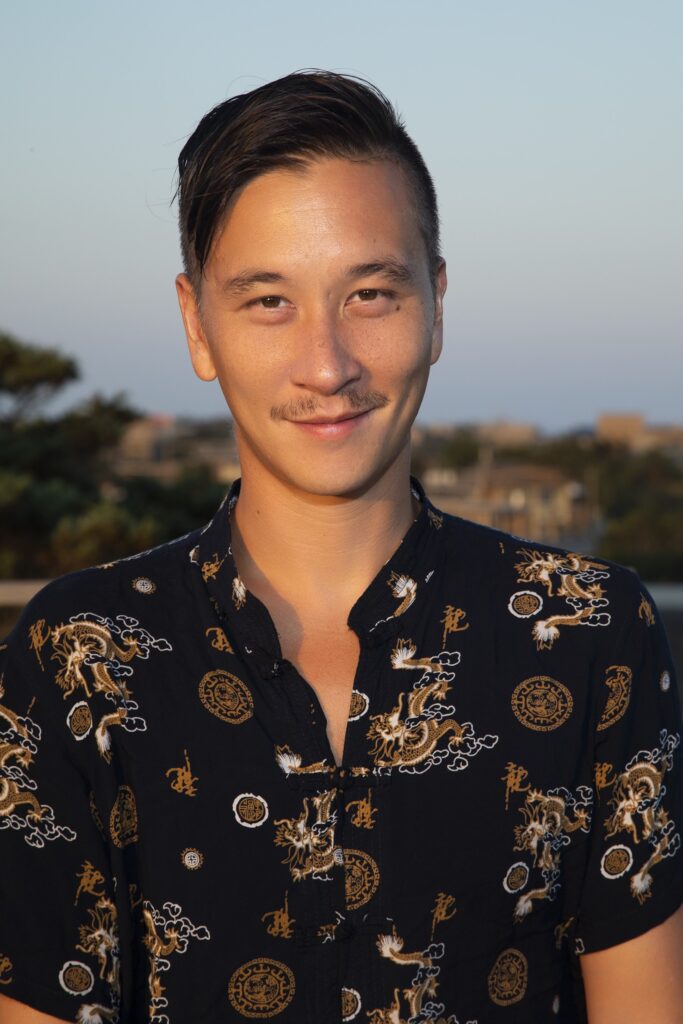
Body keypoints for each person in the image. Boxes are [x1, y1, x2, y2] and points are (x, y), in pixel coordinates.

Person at [0, 70, 681, 1024]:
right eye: (268, 302)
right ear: (197, 324)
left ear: (436, 305)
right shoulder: (78, 654)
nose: (327, 365)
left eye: (370, 293)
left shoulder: (587, 632)